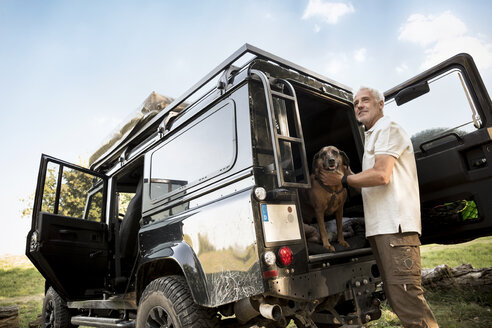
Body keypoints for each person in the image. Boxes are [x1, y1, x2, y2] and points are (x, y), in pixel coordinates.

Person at [319, 86, 438, 328]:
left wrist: (343, 180)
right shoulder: (373, 136)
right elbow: (371, 186)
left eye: (365, 100)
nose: (359, 105)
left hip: (395, 228)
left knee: (408, 300)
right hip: (380, 230)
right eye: (355, 103)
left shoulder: (388, 129)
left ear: (380, 104)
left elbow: (382, 175)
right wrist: (350, 174)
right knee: (397, 298)